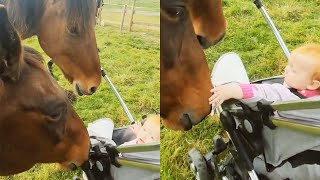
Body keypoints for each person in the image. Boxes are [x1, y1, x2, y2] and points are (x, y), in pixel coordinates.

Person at [209, 43, 320, 180]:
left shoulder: (288, 97)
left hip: (278, 149)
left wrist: (234, 90)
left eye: (293, 70)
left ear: (313, 84)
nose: (285, 69)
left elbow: (264, 92)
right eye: (288, 65)